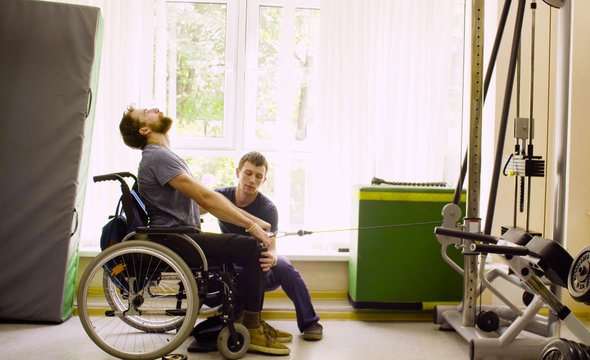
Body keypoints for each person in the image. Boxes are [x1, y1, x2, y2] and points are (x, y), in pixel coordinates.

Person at [119, 106, 290, 356]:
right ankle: (251, 327)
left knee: (246, 249)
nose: (155, 108)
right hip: (178, 239)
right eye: (147, 112)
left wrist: (253, 219)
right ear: (145, 129)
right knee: (253, 249)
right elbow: (206, 198)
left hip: (181, 236)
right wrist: (251, 226)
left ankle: (250, 321)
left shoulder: (162, 156)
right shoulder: (158, 157)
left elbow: (209, 201)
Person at [215, 151, 323, 341]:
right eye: (248, 173)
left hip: (257, 269)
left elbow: (272, 247)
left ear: (264, 180)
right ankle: (236, 312)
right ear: (238, 172)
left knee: (283, 265)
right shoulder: (220, 196)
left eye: (258, 176)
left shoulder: (267, 208)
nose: (252, 180)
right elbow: (196, 206)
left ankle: (310, 322)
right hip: (232, 271)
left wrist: (272, 256)